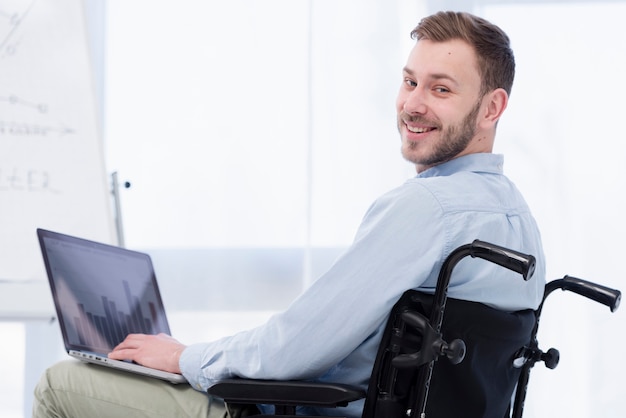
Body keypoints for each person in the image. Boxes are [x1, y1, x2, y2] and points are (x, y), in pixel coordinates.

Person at [32, 10, 545, 418]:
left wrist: (183, 357)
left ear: (492, 108)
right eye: (410, 82)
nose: (413, 104)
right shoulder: (519, 221)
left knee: (62, 383)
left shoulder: (428, 209)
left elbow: (293, 353)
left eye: (441, 89)